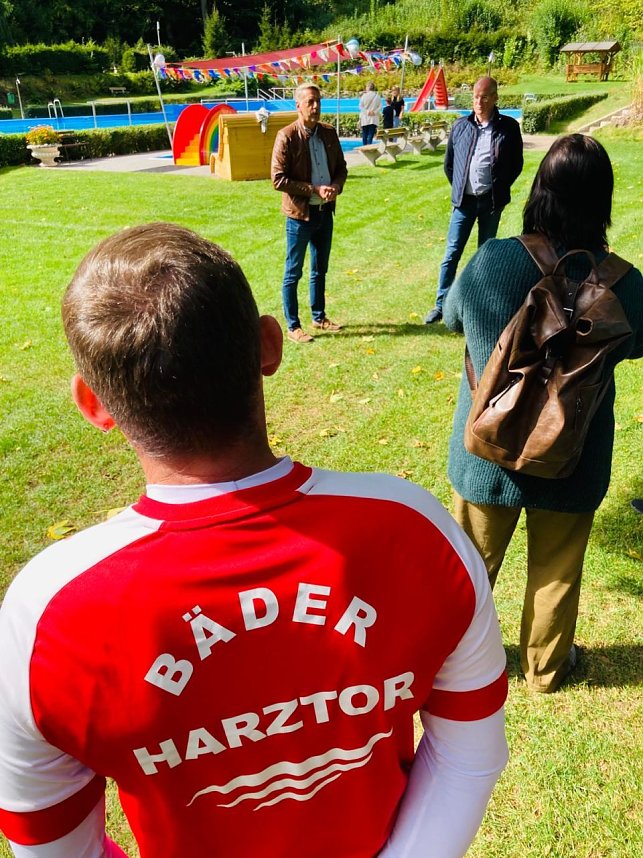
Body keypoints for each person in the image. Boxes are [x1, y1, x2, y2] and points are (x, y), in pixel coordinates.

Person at [0, 222, 509, 857]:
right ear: (269, 345)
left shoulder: (45, 616)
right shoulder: (417, 531)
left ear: (94, 405)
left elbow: (50, 845)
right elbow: (471, 755)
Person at [444, 134, 643, 693]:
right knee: (557, 569)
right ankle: (545, 669)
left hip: (488, 453)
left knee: (470, 569)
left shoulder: (493, 261)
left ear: (539, 191)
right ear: (602, 202)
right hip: (573, 455)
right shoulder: (625, 284)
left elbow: (454, 319)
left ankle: (454, 663)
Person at [424, 77, 523, 324]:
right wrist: (460, 187)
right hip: (464, 203)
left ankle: (480, 305)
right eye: (476, 97)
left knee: (485, 255)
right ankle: (442, 305)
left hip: (490, 203)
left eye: (485, 97)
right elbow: (450, 165)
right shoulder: (461, 126)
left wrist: (499, 188)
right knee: (451, 253)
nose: (479, 102)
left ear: (495, 98)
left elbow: (516, 164)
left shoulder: (508, 128)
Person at [271, 83, 347, 344]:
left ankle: (319, 316)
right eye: (310, 102)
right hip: (299, 216)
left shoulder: (328, 133)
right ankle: (293, 326)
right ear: (298, 105)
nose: (315, 107)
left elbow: (342, 168)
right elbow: (278, 179)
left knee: (319, 270)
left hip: (325, 213)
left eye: (318, 102)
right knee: (294, 272)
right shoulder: (287, 136)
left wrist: (336, 186)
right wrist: (313, 188)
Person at [359, 81, 381, 146]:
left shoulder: (364, 96)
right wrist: (374, 112)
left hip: (365, 117)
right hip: (373, 118)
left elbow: (360, 106)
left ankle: (364, 147)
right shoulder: (377, 96)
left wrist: (367, 112)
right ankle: (369, 146)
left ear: (368, 87)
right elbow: (380, 106)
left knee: (365, 134)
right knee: (370, 134)